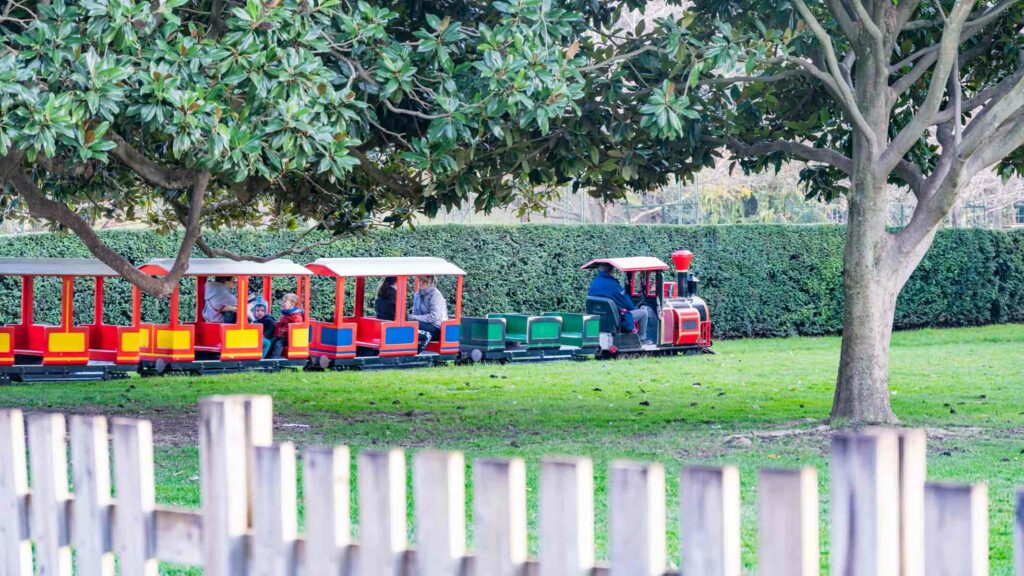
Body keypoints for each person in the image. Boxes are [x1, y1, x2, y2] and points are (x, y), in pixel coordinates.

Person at [587, 263, 653, 344]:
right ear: (610, 271)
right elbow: (627, 303)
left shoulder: (594, 283)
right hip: (617, 319)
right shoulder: (613, 284)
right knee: (643, 313)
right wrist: (634, 308)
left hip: (601, 320)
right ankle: (642, 339)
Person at [408, 275, 447, 351]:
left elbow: (434, 317)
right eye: (420, 280)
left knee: (413, 322)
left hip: (436, 327)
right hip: (423, 324)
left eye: (424, 281)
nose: (421, 283)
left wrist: (415, 318)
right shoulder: (417, 295)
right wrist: (412, 317)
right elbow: (415, 313)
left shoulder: (436, 295)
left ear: (431, 283)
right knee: (409, 322)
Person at [269, 293, 305, 358]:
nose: (282, 303)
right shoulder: (285, 313)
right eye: (282, 301)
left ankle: (274, 359)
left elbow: (297, 327)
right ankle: (267, 357)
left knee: (278, 344)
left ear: (292, 304)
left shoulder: (296, 315)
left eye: (285, 301)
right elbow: (280, 324)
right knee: (270, 342)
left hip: (287, 337)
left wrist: (287, 330)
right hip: (280, 335)